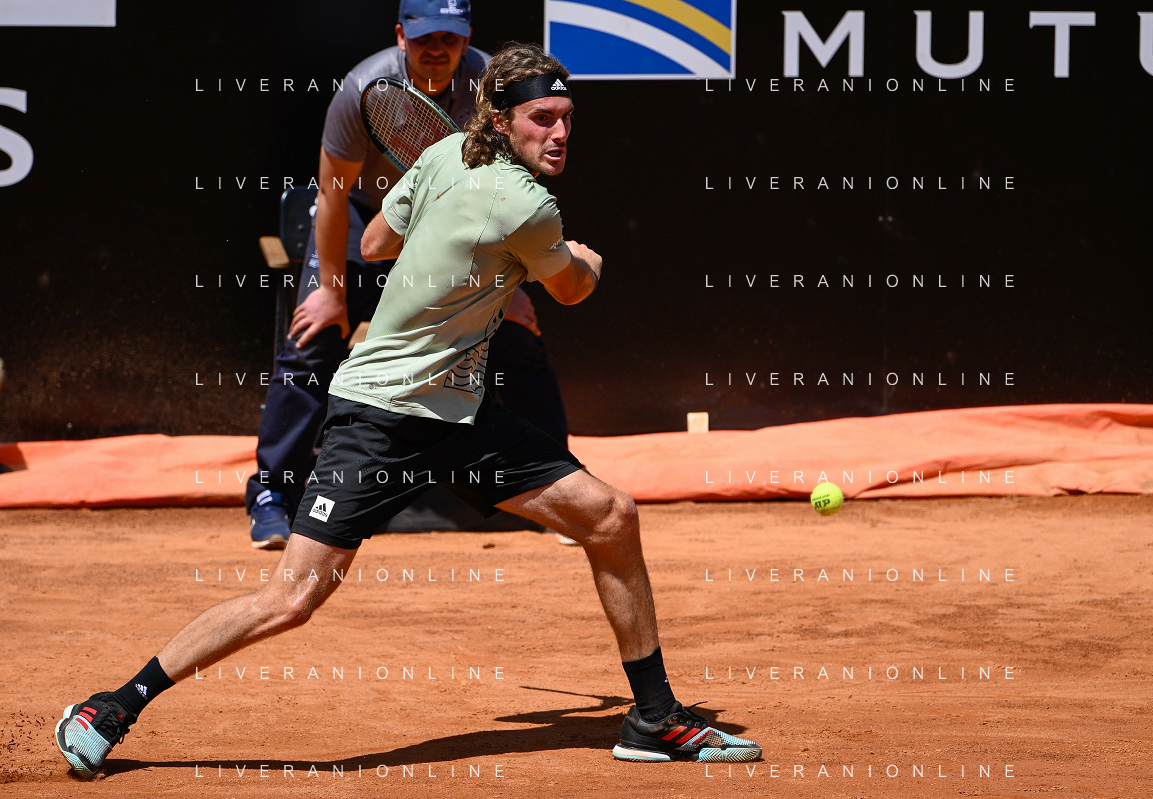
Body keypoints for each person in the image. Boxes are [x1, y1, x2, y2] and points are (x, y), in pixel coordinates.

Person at [54, 44, 761, 777]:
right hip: (383, 415)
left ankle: (653, 717)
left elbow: (373, 241)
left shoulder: (443, 155)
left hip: (457, 412)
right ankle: (110, 706)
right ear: (500, 119)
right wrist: (584, 258)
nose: (558, 133)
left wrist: (446, 227)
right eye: (541, 118)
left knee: (609, 515)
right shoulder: (528, 205)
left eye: (566, 118)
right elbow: (572, 290)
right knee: (291, 599)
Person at [248, 0, 572, 549]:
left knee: (518, 338)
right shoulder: (362, 88)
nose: (437, 49)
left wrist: (509, 287)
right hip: (364, 217)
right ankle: (271, 496)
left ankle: (561, 491)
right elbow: (331, 194)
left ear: (467, 38)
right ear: (402, 36)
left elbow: (514, 192)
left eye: (450, 38)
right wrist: (331, 293)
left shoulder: (495, 86)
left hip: (457, 221)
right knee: (312, 339)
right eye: (426, 38)